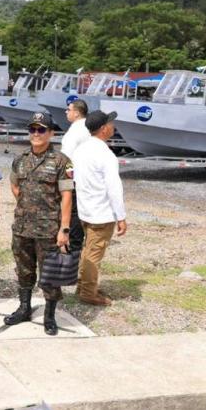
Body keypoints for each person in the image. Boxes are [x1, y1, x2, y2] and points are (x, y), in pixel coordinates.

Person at [4, 112, 73, 336]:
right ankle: (24, 308)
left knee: (49, 274)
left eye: (41, 129)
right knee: (23, 270)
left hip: (48, 229)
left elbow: (66, 196)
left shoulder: (61, 161)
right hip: (22, 226)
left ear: (51, 133)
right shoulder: (20, 159)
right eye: (32, 129)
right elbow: (15, 185)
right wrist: (26, 206)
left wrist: (64, 229)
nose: (36, 134)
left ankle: (49, 315)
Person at [71, 110, 127, 306]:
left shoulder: (81, 149)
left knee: (88, 251)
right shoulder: (105, 155)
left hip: (85, 209)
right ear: (103, 129)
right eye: (111, 124)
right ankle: (88, 292)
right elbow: (114, 188)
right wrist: (121, 216)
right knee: (94, 254)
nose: (113, 126)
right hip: (101, 213)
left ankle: (84, 284)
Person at [60, 98, 91, 251]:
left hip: (73, 178)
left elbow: (66, 159)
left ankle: (73, 248)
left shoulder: (75, 131)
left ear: (77, 113)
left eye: (69, 109)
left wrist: (63, 181)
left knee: (71, 213)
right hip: (85, 178)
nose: (66, 112)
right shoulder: (88, 129)